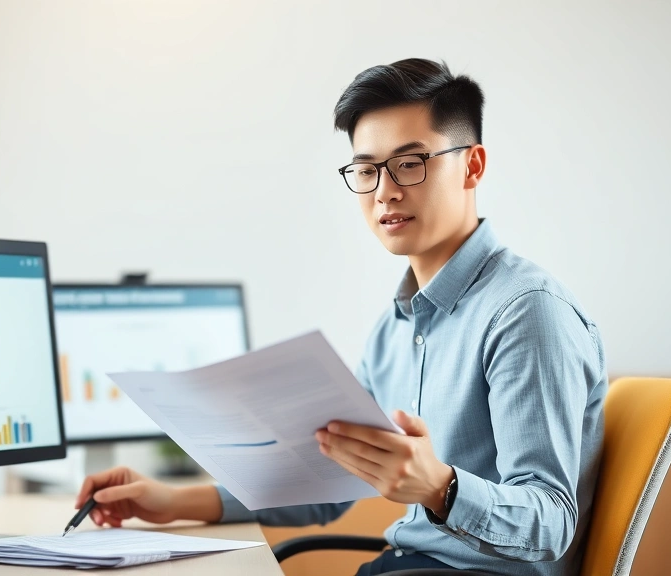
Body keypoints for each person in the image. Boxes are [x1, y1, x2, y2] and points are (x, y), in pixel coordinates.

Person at [74, 58, 607, 576]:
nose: (385, 191)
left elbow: (551, 523)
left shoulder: (526, 313)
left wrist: (438, 487)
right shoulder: (394, 326)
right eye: (367, 170)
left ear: (472, 165)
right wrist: (172, 500)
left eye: (410, 162)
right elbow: (325, 480)